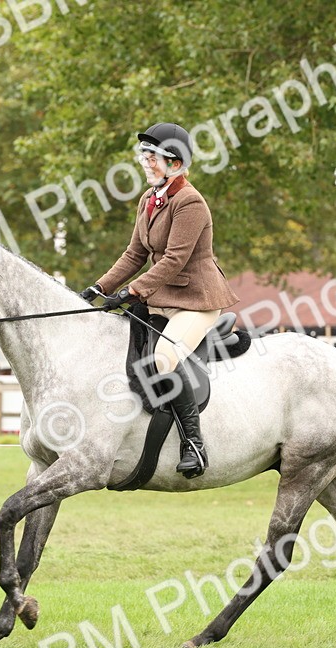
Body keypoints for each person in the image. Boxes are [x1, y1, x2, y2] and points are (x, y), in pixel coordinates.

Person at [78, 122, 239, 479]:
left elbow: (174, 260)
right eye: (144, 156)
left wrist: (132, 292)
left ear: (176, 163)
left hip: (196, 299)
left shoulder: (191, 202)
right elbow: (135, 253)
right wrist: (99, 288)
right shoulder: (149, 199)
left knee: (164, 358)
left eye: (153, 157)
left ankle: (194, 443)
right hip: (162, 297)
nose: (146, 163)